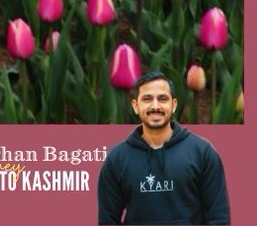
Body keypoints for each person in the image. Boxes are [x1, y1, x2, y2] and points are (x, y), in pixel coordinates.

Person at [97, 70, 230, 224]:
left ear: (173, 105)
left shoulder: (202, 152)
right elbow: (107, 220)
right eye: (147, 99)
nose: (155, 106)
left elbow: (219, 217)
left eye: (162, 99)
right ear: (135, 106)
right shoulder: (117, 158)